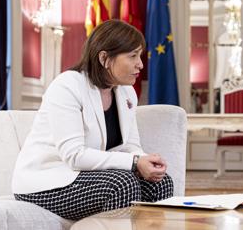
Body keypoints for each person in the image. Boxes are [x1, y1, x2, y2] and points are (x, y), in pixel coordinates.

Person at [12, 19, 173, 220]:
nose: (140, 64)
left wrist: (144, 162)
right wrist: (134, 162)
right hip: (47, 181)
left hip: (86, 177)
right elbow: (74, 155)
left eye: (139, 56)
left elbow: (130, 145)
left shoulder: (126, 92)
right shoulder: (67, 86)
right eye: (133, 56)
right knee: (121, 183)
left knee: (161, 181)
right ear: (104, 58)